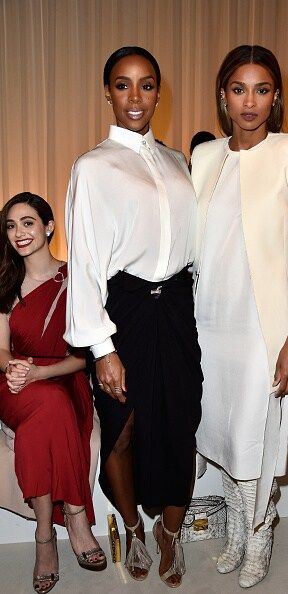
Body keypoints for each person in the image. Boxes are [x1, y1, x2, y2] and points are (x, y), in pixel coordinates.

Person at [65, 46, 202, 588]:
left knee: (179, 424)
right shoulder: (93, 167)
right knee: (122, 430)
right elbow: (86, 262)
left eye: (146, 85)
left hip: (178, 308)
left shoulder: (176, 161)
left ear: (158, 92)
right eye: (123, 85)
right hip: (122, 311)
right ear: (107, 93)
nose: (135, 97)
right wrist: (102, 348)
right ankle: (131, 527)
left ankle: (169, 532)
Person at [191, 45, 288, 588]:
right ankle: (239, 530)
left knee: (253, 433)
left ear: (276, 96)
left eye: (261, 89)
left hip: (261, 324)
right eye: (239, 89)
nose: (250, 101)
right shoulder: (205, 158)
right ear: (223, 96)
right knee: (221, 433)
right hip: (209, 319)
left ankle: (260, 537)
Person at [0, 193, 106, 594]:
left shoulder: (75, 278)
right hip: (15, 381)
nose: (19, 233)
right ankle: (75, 517)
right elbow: (0, 347)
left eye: (28, 223)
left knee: (54, 403)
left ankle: (45, 536)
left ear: (48, 226)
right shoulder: (6, 282)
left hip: (63, 375)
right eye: (11, 226)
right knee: (47, 405)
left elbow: (84, 357)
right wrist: (15, 368)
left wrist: (40, 372)